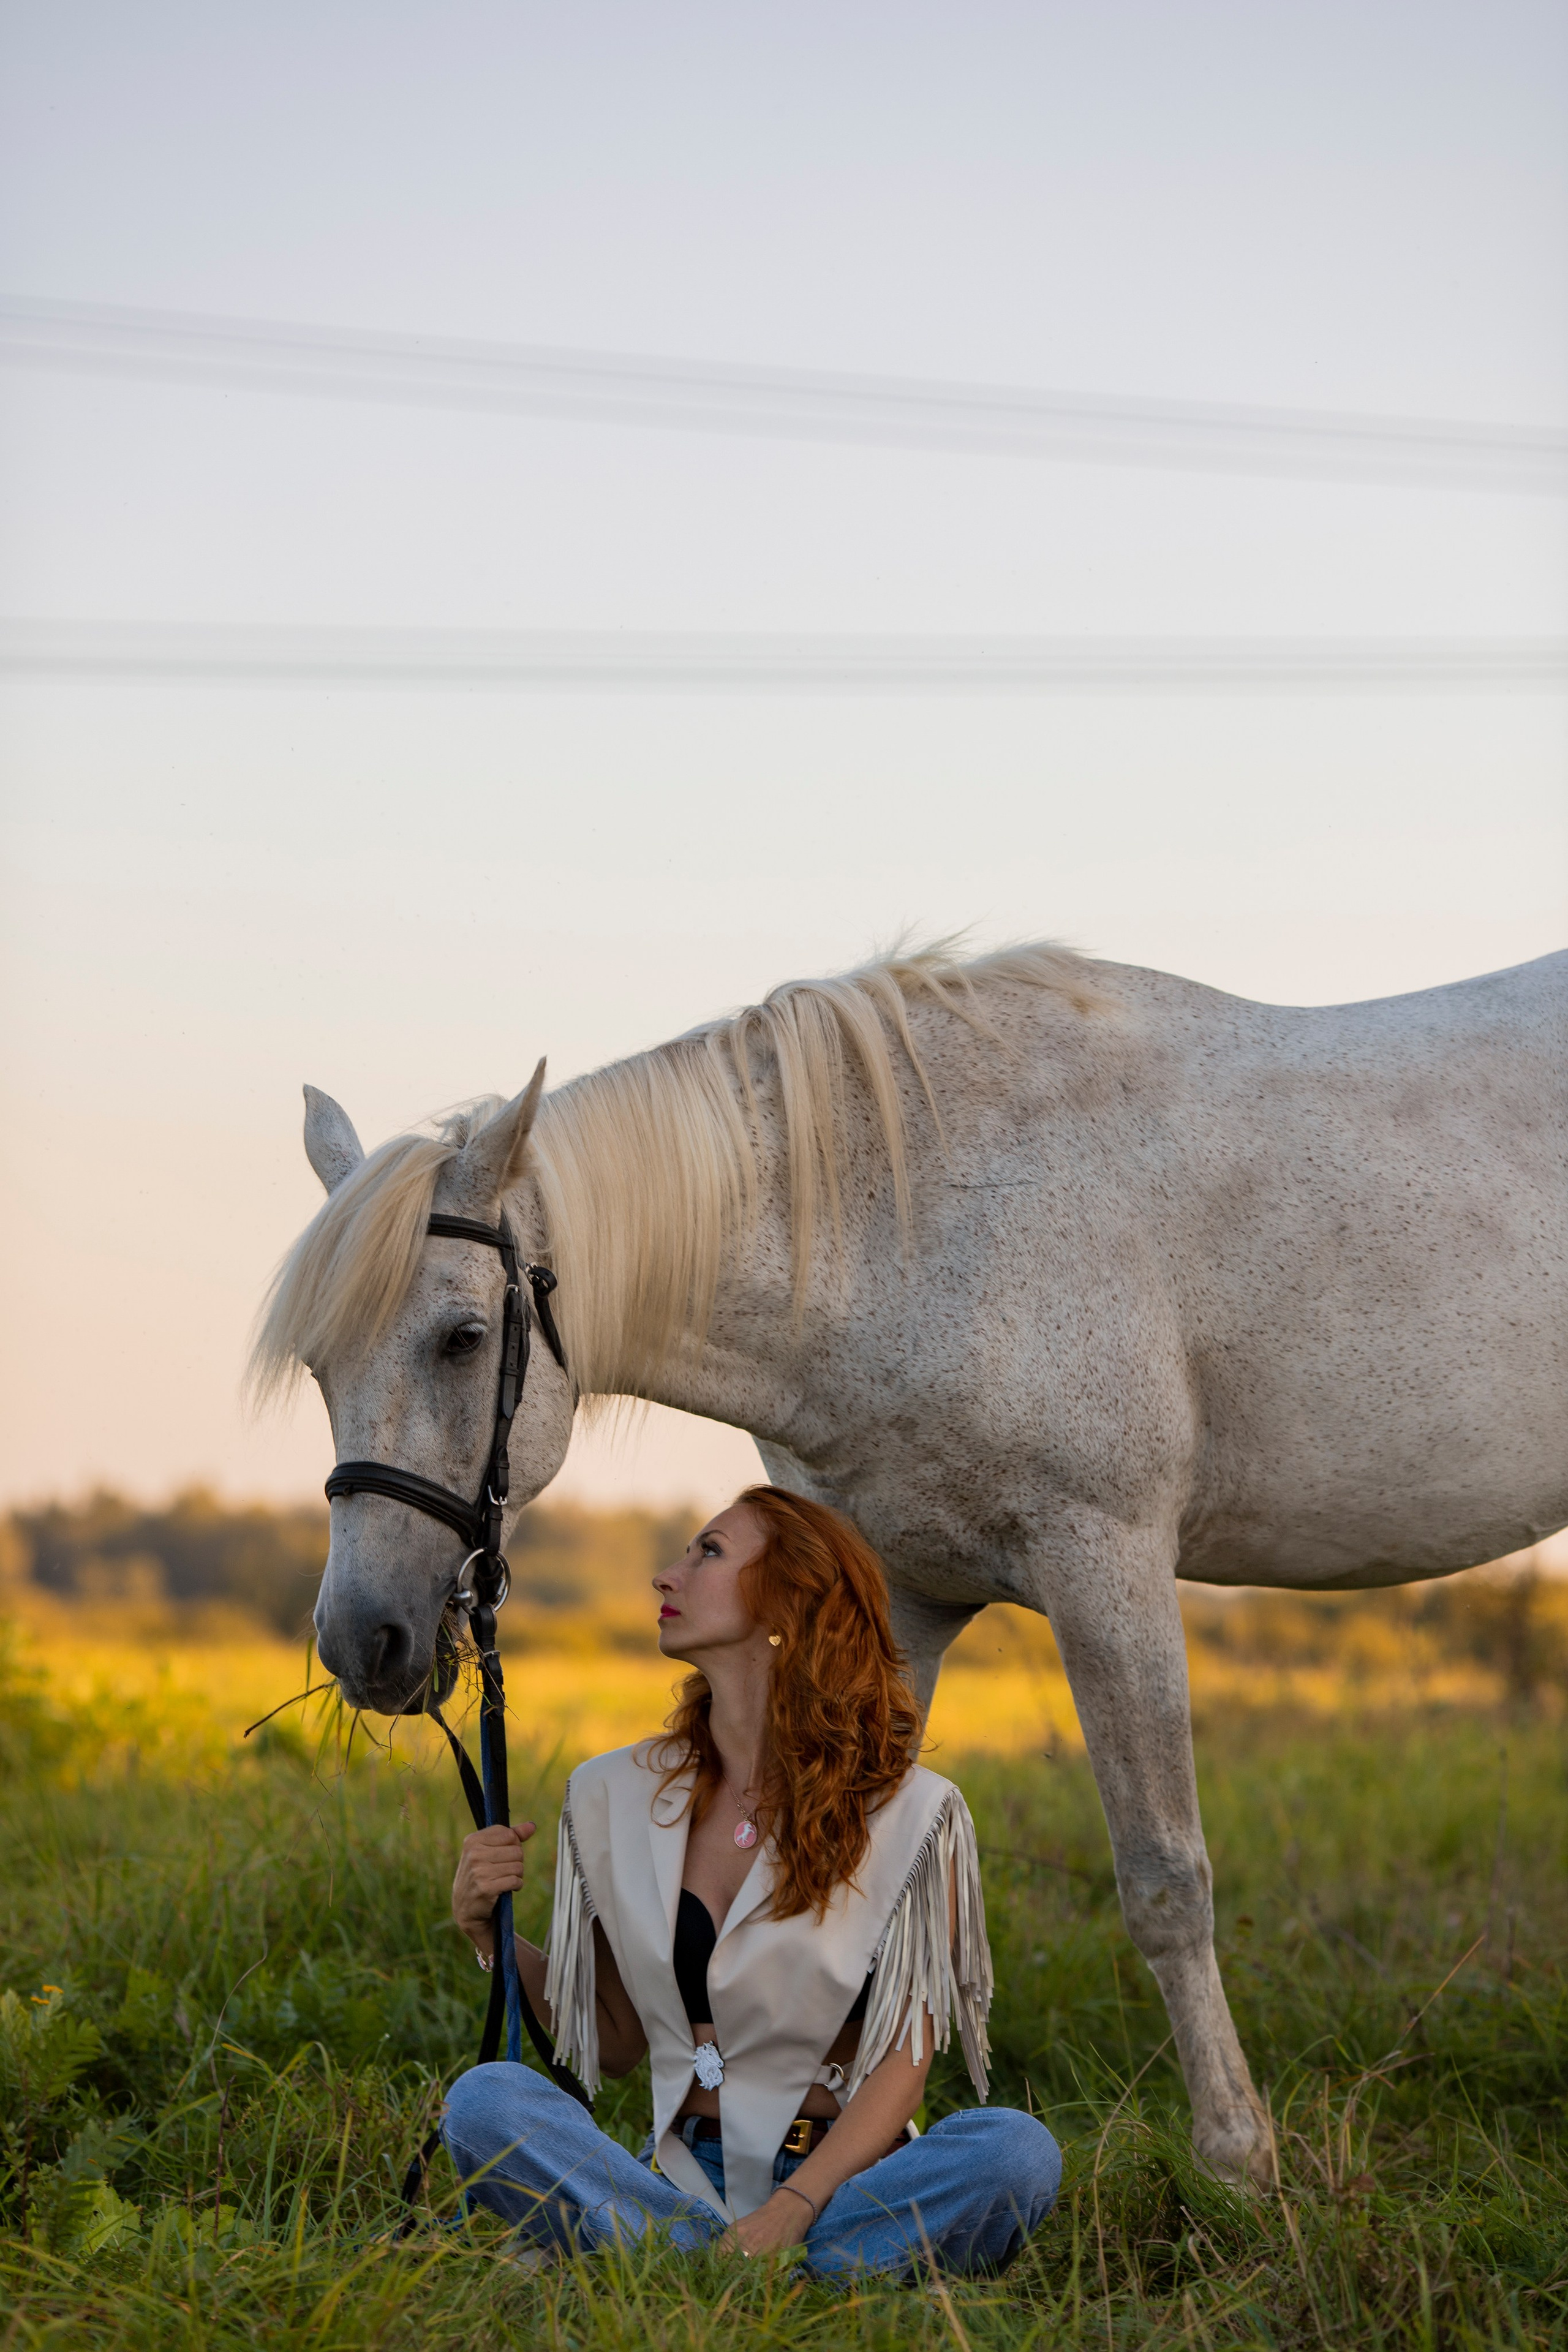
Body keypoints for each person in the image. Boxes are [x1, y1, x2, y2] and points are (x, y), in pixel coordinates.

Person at [442, 1485, 1060, 2279]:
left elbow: (904, 2066)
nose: (667, 1576)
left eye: (708, 1553)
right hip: (680, 2179)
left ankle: (676, 2268)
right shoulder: (618, 1795)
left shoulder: (914, 1813)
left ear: (787, 1604)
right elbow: (617, 2040)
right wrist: (488, 1931)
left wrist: (792, 2208)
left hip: (847, 2186)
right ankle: (790, 2275)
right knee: (485, 2102)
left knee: (1016, 2150)